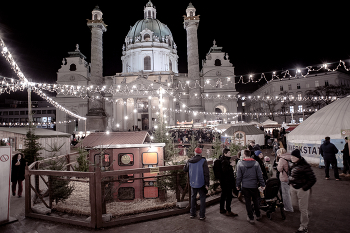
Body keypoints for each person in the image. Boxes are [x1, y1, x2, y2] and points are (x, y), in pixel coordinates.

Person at [289, 149, 317, 233]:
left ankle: (304, 227)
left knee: (302, 209)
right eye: (291, 156)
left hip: (302, 189)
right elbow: (292, 174)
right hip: (293, 188)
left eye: (294, 156)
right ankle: (306, 214)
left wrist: (304, 188)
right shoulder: (294, 164)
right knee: (294, 204)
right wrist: (290, 182)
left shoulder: (305, 166)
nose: (292, 158)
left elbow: (313, 179)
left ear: (298, 157)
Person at [236, 149, 265, 224]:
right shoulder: (256, 163)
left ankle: (250, 217)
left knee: (248, 202)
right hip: (254, 185)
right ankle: (258, 215)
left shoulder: (240, 164)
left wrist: (238, 185)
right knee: (255, 200)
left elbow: (238, 176)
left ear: (244, 155)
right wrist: (262, 184)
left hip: (245, 186)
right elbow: (259, 175)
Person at [183, 147, 210, 220]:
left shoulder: (189, 161)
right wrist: (207, 183)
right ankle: (202, 215)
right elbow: (206, 173)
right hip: (201, 182)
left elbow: (185, 169)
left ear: (195, 153)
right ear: (200, 153)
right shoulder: (203, 160)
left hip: (192, 182)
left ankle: (192, 213)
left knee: (193, 197)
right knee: (202, 198)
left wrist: (185, 163)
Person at [219, 148, 239, 216]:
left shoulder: (222, 159)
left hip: (223, 182)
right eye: (229, 153)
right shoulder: (225, 161)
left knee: (223, 195)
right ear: (225, 154)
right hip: (227, 182)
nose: (230, 154)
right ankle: (228, 211)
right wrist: (231, 165)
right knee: (229, 196)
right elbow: (225, 171)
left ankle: (221, 209)